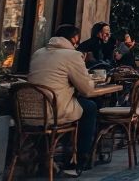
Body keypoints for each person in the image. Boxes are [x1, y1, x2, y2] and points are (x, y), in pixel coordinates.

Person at [28, 24, 103, 176]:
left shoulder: (38, 53)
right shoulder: (72, 55)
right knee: (90, 107)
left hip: (29, 110)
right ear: (74, 39)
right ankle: (79, 159)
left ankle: (48, 154)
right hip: (54, 111)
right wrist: (91, 79)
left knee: (81, 106)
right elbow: (86, 90)